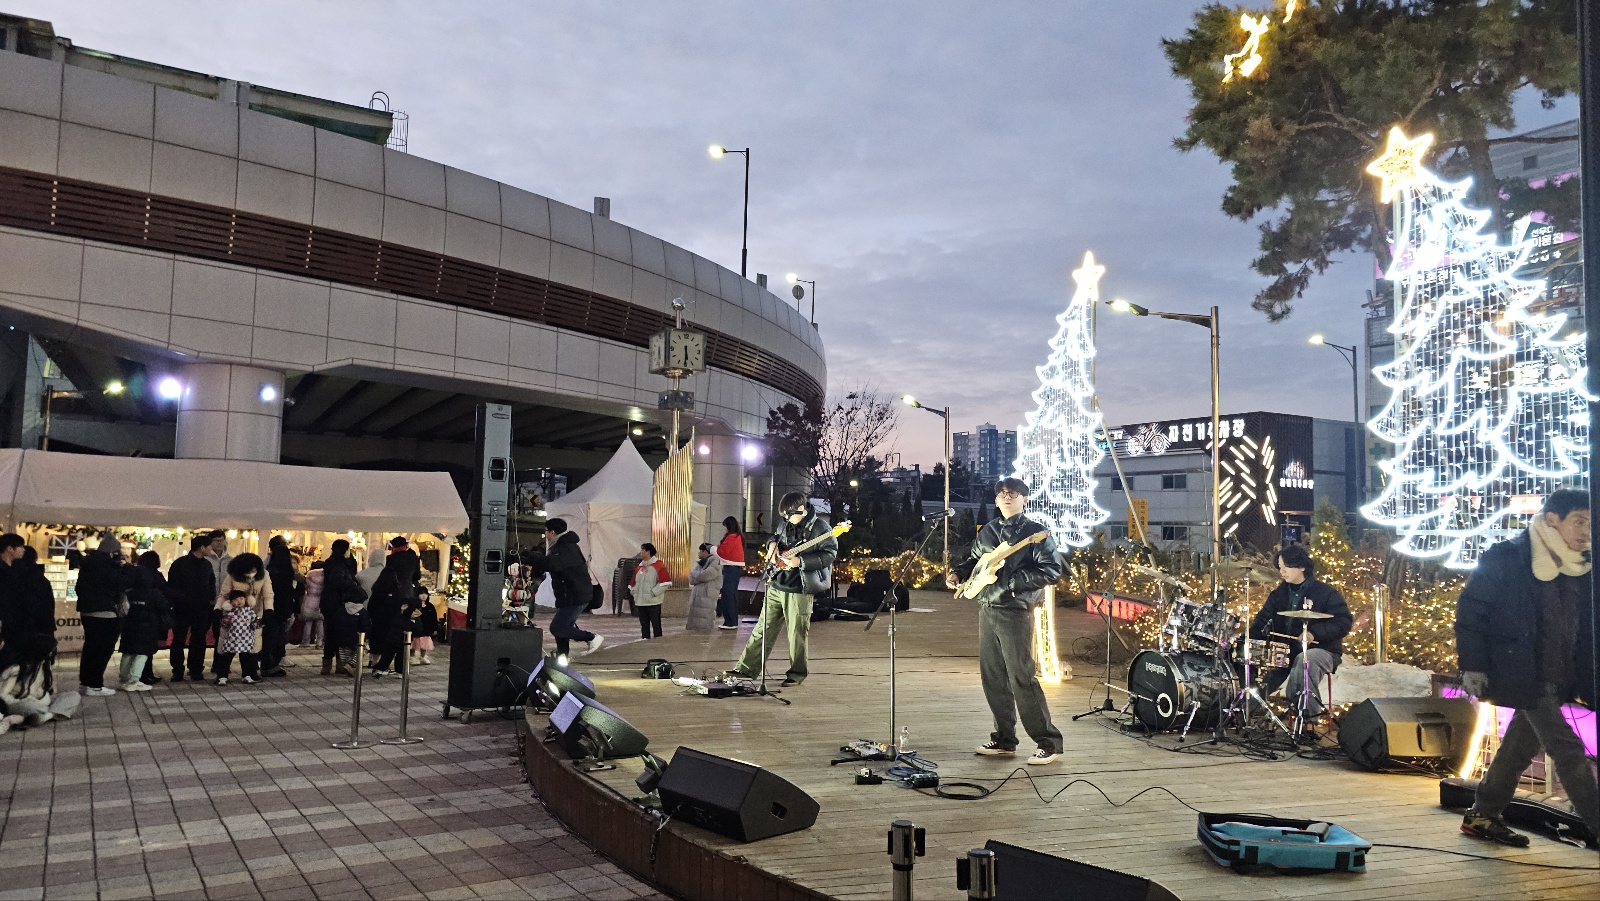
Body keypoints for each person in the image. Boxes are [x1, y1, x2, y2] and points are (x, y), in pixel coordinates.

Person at [1456, 488, 1599, 847]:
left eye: (1591, 523)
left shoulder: (1581, 566)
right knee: (1569, 752)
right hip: (1521, 672)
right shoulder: (1509, 557)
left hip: (1558, 675)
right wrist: (1473, 666)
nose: (1586, 531)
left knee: (1519, 747)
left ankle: (1482, 814)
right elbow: (1471, 612)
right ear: (1553, 519)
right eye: (1579, 521)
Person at [947, 478, 1064, 764]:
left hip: (1015, 611)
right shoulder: (989, 530)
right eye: (1001, 494)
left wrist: (1012, 584)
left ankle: (1048, 742)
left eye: (1013, 494)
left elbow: (1051, 570)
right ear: (996, 501)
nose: (1007, 497)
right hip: (986, 608)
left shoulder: (1035, 533)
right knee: (994, 679)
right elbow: (974, 561)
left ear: (1025, 500)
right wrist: (958, 574)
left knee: (1022, 678)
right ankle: (1004, 739)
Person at [730, 492, 837, 687]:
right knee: (762, 628)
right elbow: (776, 537)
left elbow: (830, 553)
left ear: (802, 510)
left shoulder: (822, 528)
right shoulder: (786, 522)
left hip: (800, 588)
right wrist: (771, 546)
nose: (786, 519)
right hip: (777, 583)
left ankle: (797, 673)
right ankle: (746, 668)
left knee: (797, 633)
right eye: (784, 516)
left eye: (789, 515)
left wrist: (801, 561)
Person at [1248, 544, 1352, 721]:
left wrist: (1314, 634)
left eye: (1286, 567)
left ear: (1301, 566)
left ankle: (1307, 719)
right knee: (1245, 658)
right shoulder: (1279, 594)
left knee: (1304, 661)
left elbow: (1344, 622)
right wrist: (1247, 640)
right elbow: (1262, 621)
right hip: (1286, 651)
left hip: (1323, 650)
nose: (1282, 572)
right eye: (1280, 567)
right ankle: (1241, 711)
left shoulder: (1325, 593)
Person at [0, 542, 64, 730]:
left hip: (23, 630)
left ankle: (39, 714)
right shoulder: (33, 579)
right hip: (30, 629)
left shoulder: (14, 578)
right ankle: (37, 714)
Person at [75, 534, 128, 697]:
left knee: (90, 647)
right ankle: (95, 684)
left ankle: (86, 683)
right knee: (102, 649)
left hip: (88, 612)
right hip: (106, 613)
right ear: (113, 552)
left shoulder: (88, 564)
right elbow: (120, 584)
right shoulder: (109, 567)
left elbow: (79, 589)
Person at [541, 518, 602, 657]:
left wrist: (534, 559)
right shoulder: (560, 545)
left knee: (557, 627)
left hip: (576, 595)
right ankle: (562, 655)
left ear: (552, 532)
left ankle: (591, 638)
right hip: (569, 595)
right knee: (563, 627)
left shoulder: (566, 547)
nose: (545, 535)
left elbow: (554, 564)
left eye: (546, 531)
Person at [117, 552, 173, 693]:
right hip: (148, 628)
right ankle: (134, 680)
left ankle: (123, 679)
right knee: (142, 654)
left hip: (129, 626)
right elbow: (164, 607)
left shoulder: (128, 592)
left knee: (128, 652)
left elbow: (122, 609)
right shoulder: (153, 593)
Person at [213, 553, 272, 683]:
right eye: (250, 569)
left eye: (255, 569)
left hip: (253, 614)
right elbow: (224, 594)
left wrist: (269, 610)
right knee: (226, 644)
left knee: (253, 643)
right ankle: (222, 673)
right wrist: (217, 609)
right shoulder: (232, 576)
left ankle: (250, 672)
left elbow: (268, 595)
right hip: (233, 615)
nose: (253, 572)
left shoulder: (264, 575)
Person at [166, 534, 217, 682]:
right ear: (202, 547)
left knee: (199, 639)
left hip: (201, 608)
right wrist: (181, 599)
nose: (211, 550)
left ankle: (195, 669)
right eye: (209, 546)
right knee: (179, 639)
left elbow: (211, 584)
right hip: (182, 608)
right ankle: (177, 670)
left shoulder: (206, 565)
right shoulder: (180, 564)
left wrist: (209, 598)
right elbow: (172, 587)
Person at [367, 538, 420, 676]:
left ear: (392, 546)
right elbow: (417, 576)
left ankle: (382, 664)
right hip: (408, 596)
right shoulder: (413, 558)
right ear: (406, 545)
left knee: (391, 631)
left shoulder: (390, 560)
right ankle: (399, 666)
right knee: (402, 632)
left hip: (391, 597)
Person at [320, 540, 366, 676]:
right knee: (339, 633)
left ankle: (328, 665)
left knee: (332, 632)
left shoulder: (329, 562)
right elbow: (344, 581)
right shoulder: (342, 564)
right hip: (339, 602)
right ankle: (338, 664)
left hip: (328, 601)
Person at [261, 535, 302, 676]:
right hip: (281, 608)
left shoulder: (269, 569)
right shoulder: (286, 573)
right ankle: (271, 666)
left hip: (270, 608)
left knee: (270, 637)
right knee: (276, 638)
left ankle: (267, 664)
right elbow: (290, 592)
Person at [213, 590, 260, 685]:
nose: (239, 601)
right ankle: (222, 676)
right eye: (235, 599)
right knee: (226, 658)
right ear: (230, 602)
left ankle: (246, 675)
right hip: (232, 639)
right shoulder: (229, 613)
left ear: (246, 600)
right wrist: (224, 621)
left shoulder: (250, 612)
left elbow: (256, 624)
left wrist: (258, 623)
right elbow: (224, 625)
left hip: (246, 640)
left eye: (241, 599)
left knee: (246, 658)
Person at [630, 543, 671, 639]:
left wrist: (653, 592)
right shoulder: (640, 567)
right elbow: (634, 582)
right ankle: (645, 642)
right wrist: (634, 591)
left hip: (653, 602)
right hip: (641, 602)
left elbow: (665, 583)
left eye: (642, 550)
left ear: (648, 552)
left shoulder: (659, 566)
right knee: (644, 626)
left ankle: (658, 644)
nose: (640, 552)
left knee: (656, 625)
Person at [715, 517, 746, 630]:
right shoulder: (737, 537)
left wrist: (713, 548)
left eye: (726, 527)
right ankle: (731, 621)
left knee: (727, 595)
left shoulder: (732, 537)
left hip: (731, 568)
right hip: (734, 568)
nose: (725, 530)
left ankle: (730, 622)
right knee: (731, 595)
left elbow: (723, 551)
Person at [691, 542, 724, 631]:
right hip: (698, 596)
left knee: (705, 623)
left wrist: (696, 575)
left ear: (706, 551)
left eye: (700, 550)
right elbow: (691, 578)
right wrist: (697, 576)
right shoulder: (701, 563)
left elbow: (705, 575)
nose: (698, 552)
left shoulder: (716, 562)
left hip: (707, 595)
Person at [405, 583, 438, 667]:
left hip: (426, 629)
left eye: (425, 594)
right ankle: (412, 657)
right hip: (416, 629)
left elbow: (434, 618)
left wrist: (434, 628)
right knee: (414, 643)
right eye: (421, 594)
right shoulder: (414, 606)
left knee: (424, 644)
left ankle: (422, 656)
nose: (423, 596)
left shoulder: (430, 606)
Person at [299, 561, 326, 649]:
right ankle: (319, 642)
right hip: (320, 601)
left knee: (308, 622)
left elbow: (305, 587)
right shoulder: (325, 576)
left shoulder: (309, 576)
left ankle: (305, 641)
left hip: (310, 600)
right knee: (320, 622)